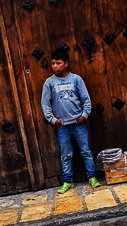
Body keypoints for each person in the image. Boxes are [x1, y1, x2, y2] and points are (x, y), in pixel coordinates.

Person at [41, 49, 101, 193]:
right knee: (66, 155)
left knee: (86, 151)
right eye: (53, 64)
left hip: (78, 124)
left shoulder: (76, 79)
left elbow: (86, 99)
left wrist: (84, 115)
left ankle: (92, 177)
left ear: (66, 64)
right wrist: (53, 120)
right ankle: (68, 181)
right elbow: (45, 103)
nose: (55, 66)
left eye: (58, 63)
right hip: (62, 127)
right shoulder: (49, 83)